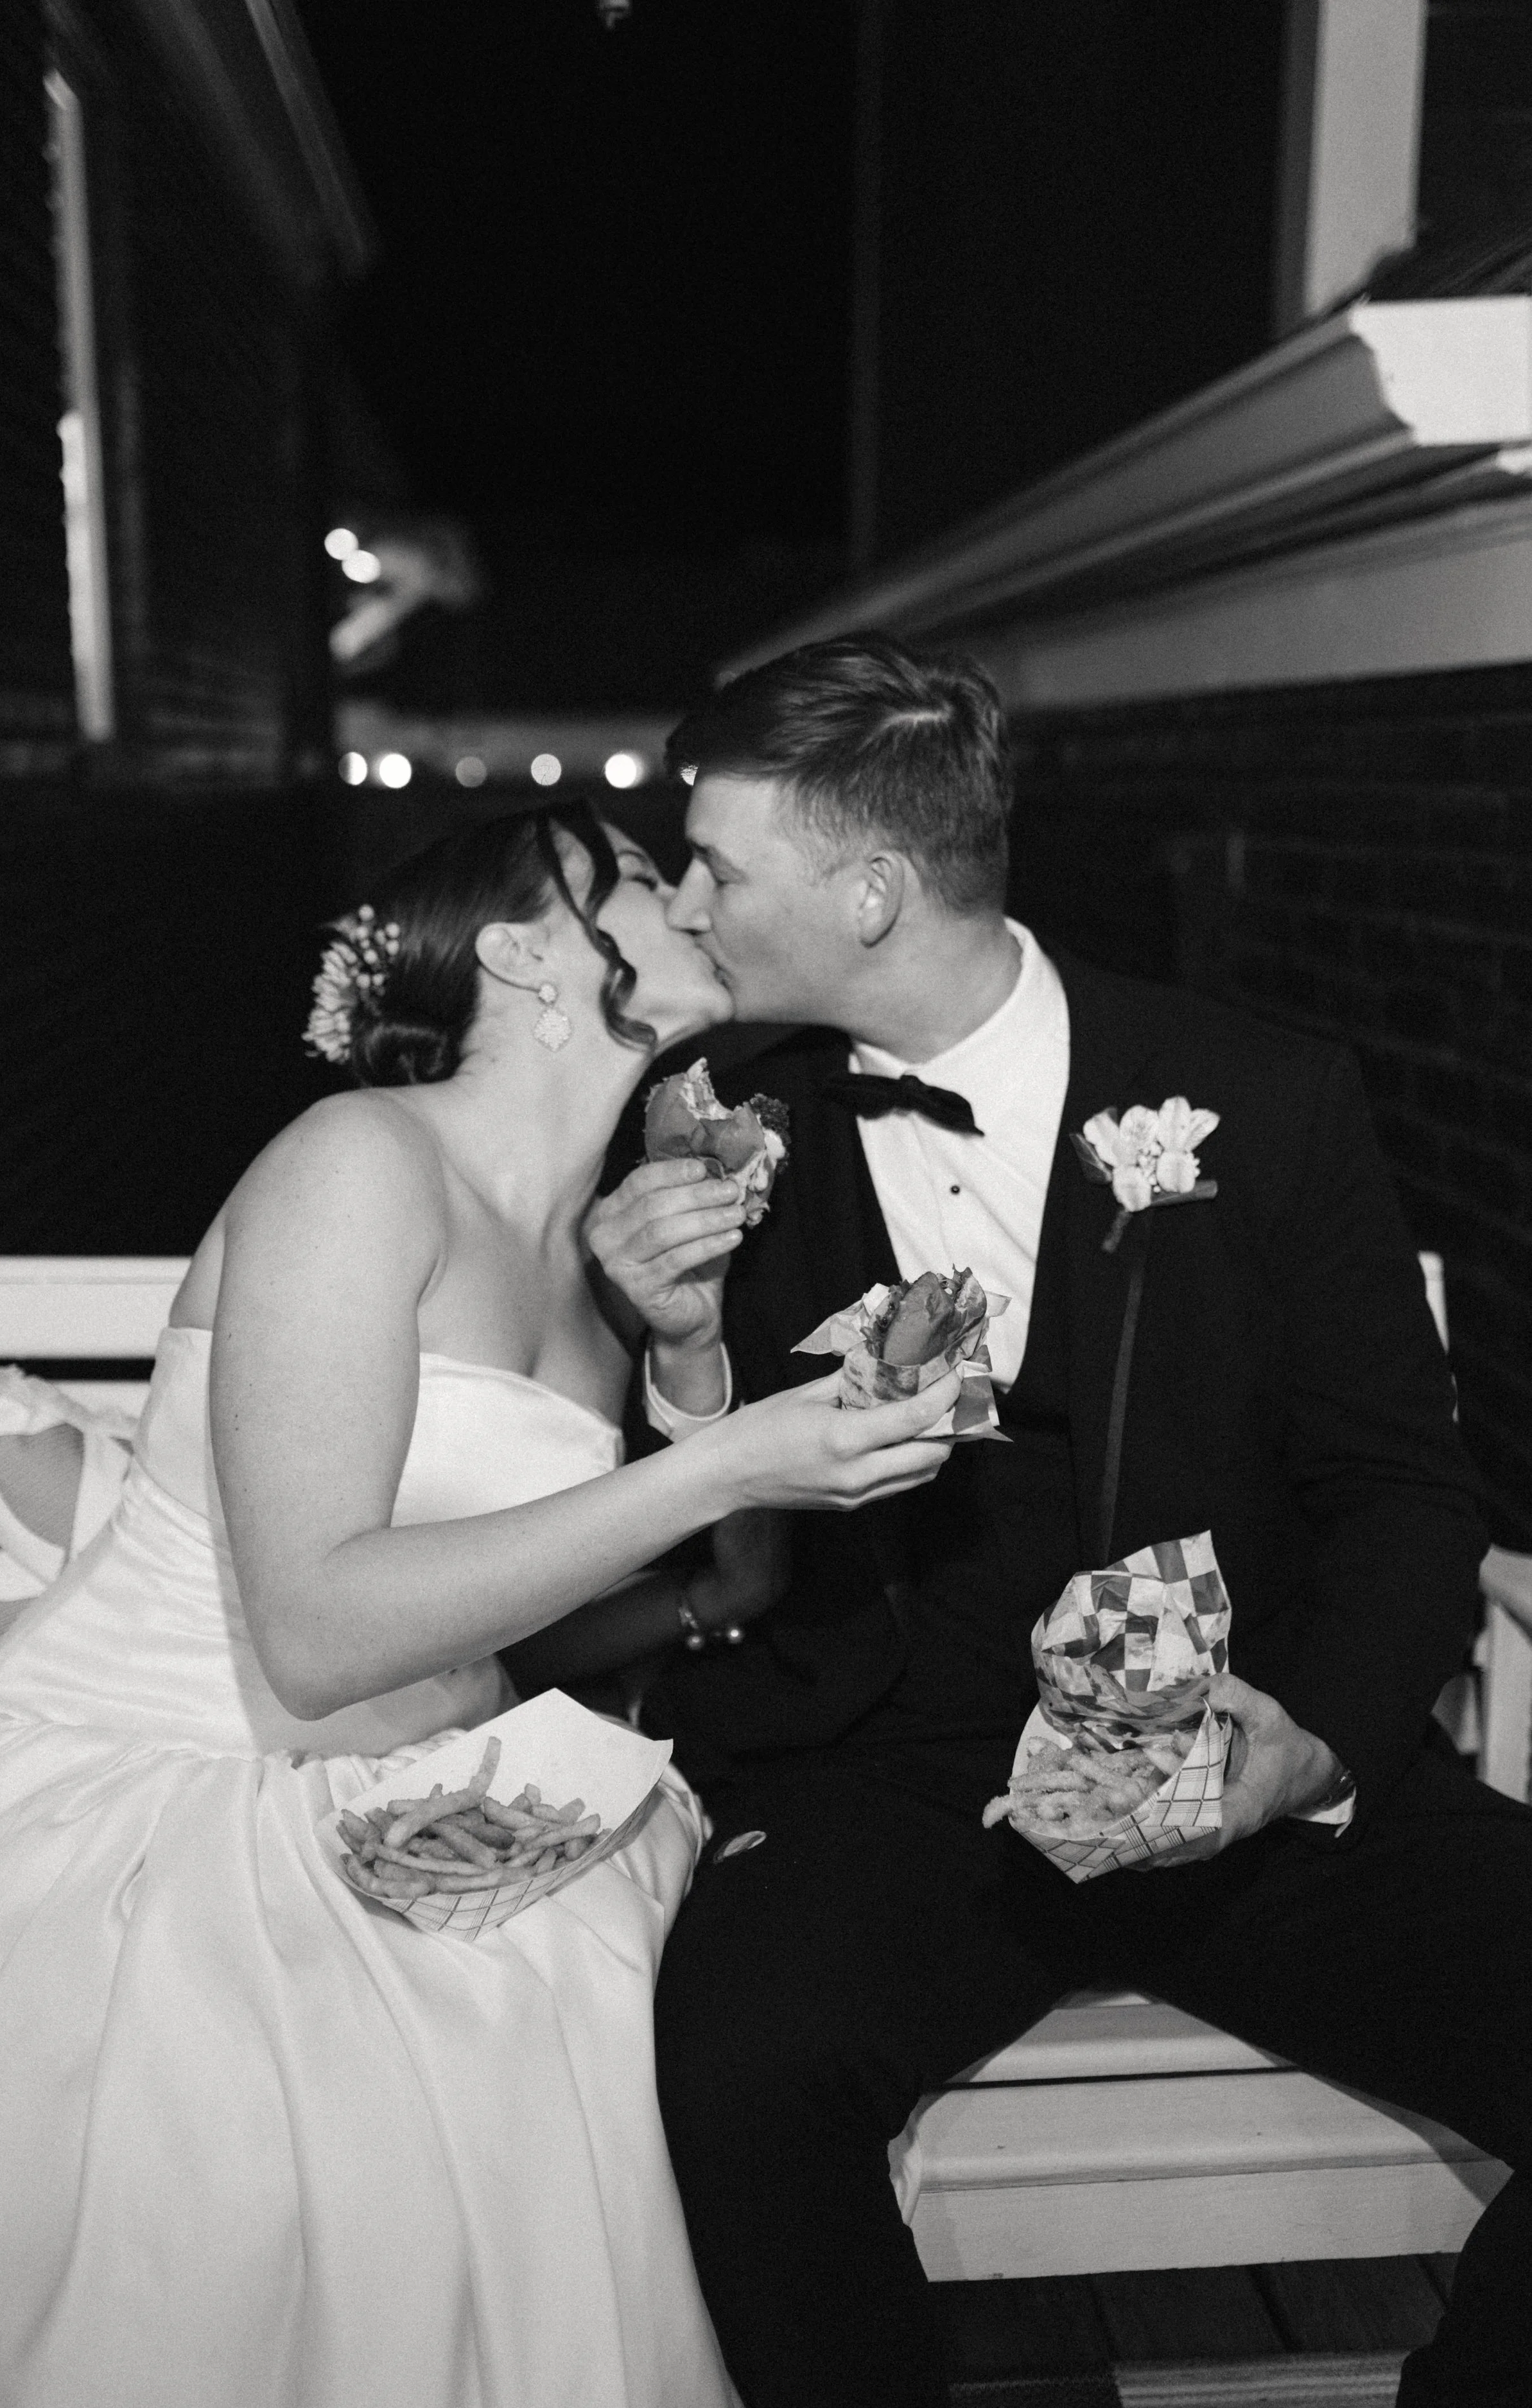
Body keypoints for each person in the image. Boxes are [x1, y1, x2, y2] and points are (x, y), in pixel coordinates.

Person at [588, 638, 1532, 2408]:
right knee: (734, 2074)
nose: (690, 901)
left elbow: (1407, 1495)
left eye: (719, 862)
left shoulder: (1257, 1092)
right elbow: (691, 1566)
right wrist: (687, 1356)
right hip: (895, 1778)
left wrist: (1299, 1742)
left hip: (1241, 1760)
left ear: (869, 889)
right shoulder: (719, 1142)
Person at [0, 802, 960, 2408]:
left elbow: (649, 1598)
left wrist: (688, 1363)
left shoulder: (585, 1253)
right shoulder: (359, 1162)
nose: (690, 896)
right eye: (636, 879)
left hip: (452, 1795)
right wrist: (719, 1465)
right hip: (176, 1787)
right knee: (329, 2137)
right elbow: (320, 1635)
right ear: (521, 950)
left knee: (655, 2034)